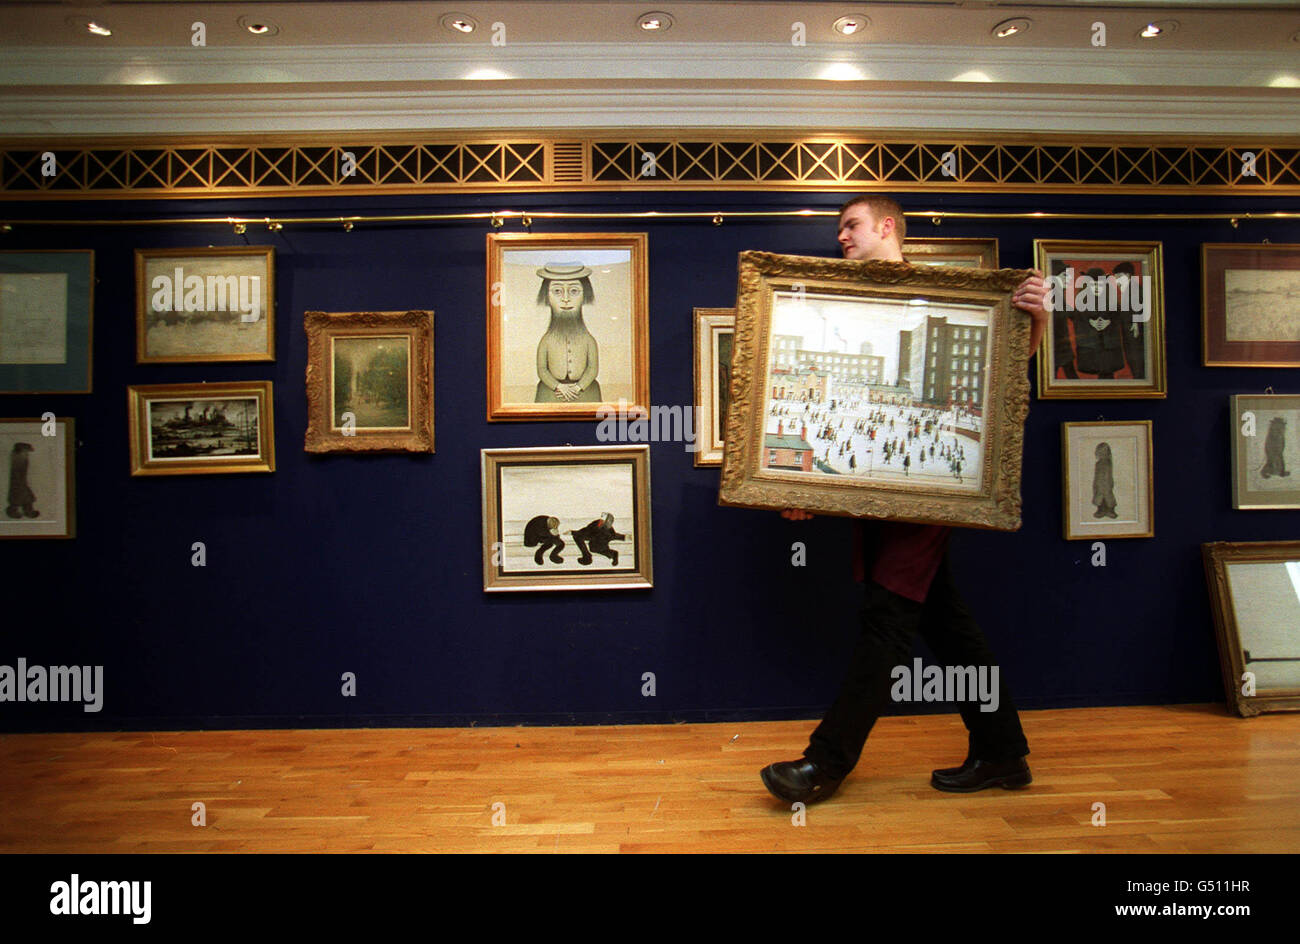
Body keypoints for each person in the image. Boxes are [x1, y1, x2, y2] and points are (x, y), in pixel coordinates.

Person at [760, 195, 1050, 804]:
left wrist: (1038, 322)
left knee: (887, 622)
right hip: (883, 500)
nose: (842, 237)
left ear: (887, 226)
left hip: (925, 499)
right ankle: (1003, 752)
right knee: (948, 627)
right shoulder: (850, 304)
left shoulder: (942, 294)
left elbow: (995, 373)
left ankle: (826, 764)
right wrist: (795, 483)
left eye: (851, 226)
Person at [534, 263, 602, 403]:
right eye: (557, 291)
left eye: (574, 291)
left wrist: (578, 387)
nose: (565, 299)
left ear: (585, 295)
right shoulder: (546, 340)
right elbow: (542, 369)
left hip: (586, 393)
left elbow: (592, 368)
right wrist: (558, 386)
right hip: (550, 394)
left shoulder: (589, 340)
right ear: (546, 296)